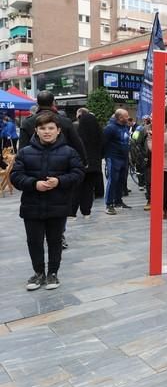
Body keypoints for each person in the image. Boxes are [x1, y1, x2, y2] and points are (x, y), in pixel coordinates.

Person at [10, 112, 84, 290]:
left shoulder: (69, 152)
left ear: (58, 130)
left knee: (54, 241)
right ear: (36, 130)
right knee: (34, 241)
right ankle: (38, 273)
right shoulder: (25, 152)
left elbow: (78, 173)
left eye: (51, 128)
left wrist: (59, 181)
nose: (47, 132)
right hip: (32, 206)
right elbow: (16, 176)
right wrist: (34, 184)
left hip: (57, 205)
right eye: (42, 128)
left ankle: (52, 273)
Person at [19, 91, 87, 249]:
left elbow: (22, 149)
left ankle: (41, 235)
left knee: (37, 202)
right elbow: (77, 144)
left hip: (34, 170)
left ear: (37, 102)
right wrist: (82, 162)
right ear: (53, 102)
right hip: (61, 168)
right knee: (61, 202)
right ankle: (58, 233)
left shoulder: (28, 122)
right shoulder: (64, 120)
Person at [71, 108, 103, 219]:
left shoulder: (77, 131)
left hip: (80, 164)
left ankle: (72, 212)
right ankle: (86, 212)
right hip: (94, 165)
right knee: (88, 189)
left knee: (76, 188)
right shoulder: (98, 132)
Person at [103, 108, 131, 215]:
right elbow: (103, 143)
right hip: (113, 157)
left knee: (121, 180)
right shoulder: (109, 129)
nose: (128, 118)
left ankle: (118, 201)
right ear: (120, 118)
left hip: (124, 157)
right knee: (113, 180)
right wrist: (107, 156)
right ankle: (109, 204)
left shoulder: (125, 126)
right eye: (126, 116)